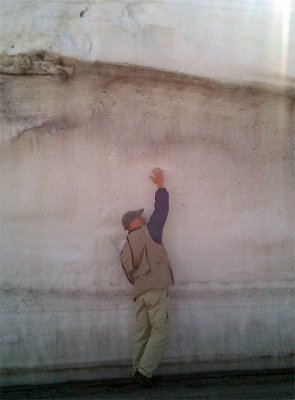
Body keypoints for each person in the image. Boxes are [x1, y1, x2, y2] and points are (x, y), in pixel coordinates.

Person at [120, 168, 174, 387]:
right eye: (138, 216)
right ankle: (145, 372)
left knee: (143, 331)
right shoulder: (151, 230)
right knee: (160, 330)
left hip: (140, 292)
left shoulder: (125, 245)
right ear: (132, 223)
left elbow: (127, 271)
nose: (143, 216)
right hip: (155, 288)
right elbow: (162, 210)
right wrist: (161, 187)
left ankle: (137, 369)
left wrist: (141, 282)